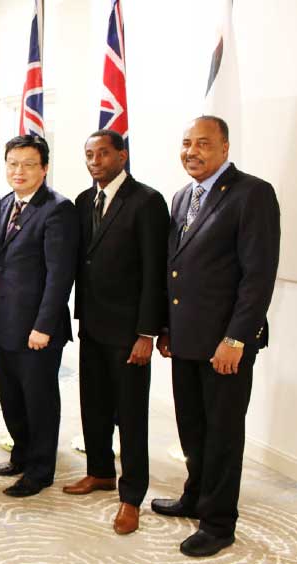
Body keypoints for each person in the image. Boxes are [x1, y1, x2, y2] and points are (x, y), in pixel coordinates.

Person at [153, 116, 280, 557]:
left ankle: (219, 521)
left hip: (225, 343)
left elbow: (258, 276)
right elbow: (178, 270)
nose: (192, 151)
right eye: (186, 143)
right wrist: (167, 328)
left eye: (203, 143)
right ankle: (195, 495)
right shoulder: (182, 195)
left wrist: (237, 339)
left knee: (223, 433)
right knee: (191, 426)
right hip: (186, 338)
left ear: (225, 147)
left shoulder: (252, 194)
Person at [63, 129, 168, 533]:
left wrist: (147, 332)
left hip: (129, 332)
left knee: (131, 415)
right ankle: (100, 471)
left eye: (103, 153)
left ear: (122, 156)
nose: (95, 161)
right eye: (89, 154)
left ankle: (131, 496)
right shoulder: (84, 201)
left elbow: (155, 271)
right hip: (91, 324)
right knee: (94, 404)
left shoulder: (147, 201)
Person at [0, 135, 77, 497]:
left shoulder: (57, 209)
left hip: (36, 329)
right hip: (3, 323)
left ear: (44, 168)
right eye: (12, 163)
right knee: (11, 397)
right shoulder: (5, 202)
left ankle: (40, 471)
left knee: (39, 400)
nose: (19, 170)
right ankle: (22, 454)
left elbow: (60, 276)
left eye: (28, 164)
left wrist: (43, 326)